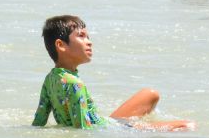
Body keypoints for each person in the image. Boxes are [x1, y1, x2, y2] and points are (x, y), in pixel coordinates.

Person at [32, 15, 195, 131]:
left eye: (88, 37)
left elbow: (39, 121)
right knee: (187, 126)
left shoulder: (50, 79)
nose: (89, 42)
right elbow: (83, 129)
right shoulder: (75, 84)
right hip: (116, 130)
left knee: (150, 94)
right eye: (81, 36)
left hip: (108, 123)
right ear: (61, 45)